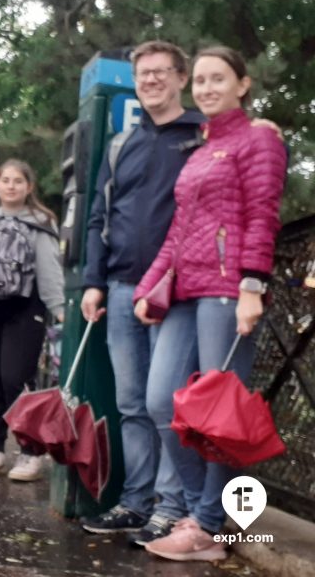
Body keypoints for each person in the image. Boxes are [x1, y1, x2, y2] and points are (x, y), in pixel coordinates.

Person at [134, 46, 286, 562]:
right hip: (182, 291)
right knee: (162, 402)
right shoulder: (200, 150)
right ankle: (200, 510)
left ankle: (207, 525)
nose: (205, 88)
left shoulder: (259, 138)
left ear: (242, 84)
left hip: (226, 291)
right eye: (199, 80)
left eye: (217, 78)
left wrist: (252, 285)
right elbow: (179, 232)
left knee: (219, 417)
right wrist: (146, 288)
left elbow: (264, 213)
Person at [79, 40, 197, 542]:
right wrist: (92, 280)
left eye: (160, 72)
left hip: (179, 289)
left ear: (180, 78)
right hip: (123, 286)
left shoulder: (201, 135)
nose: (151, 81)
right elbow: (99, 217)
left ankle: (172, 507)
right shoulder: (120, 143)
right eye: (143, 74)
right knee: (131, 403)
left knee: (166, 404)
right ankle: (135, 502)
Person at [0, 159, 64, 482]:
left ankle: (29, 451)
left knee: (15, 379)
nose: (11, 186)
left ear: (29, 187)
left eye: (18, 181)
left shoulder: (41, 222)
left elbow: (49, 269)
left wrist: (58, 308)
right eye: (5, 180)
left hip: (24, 308)